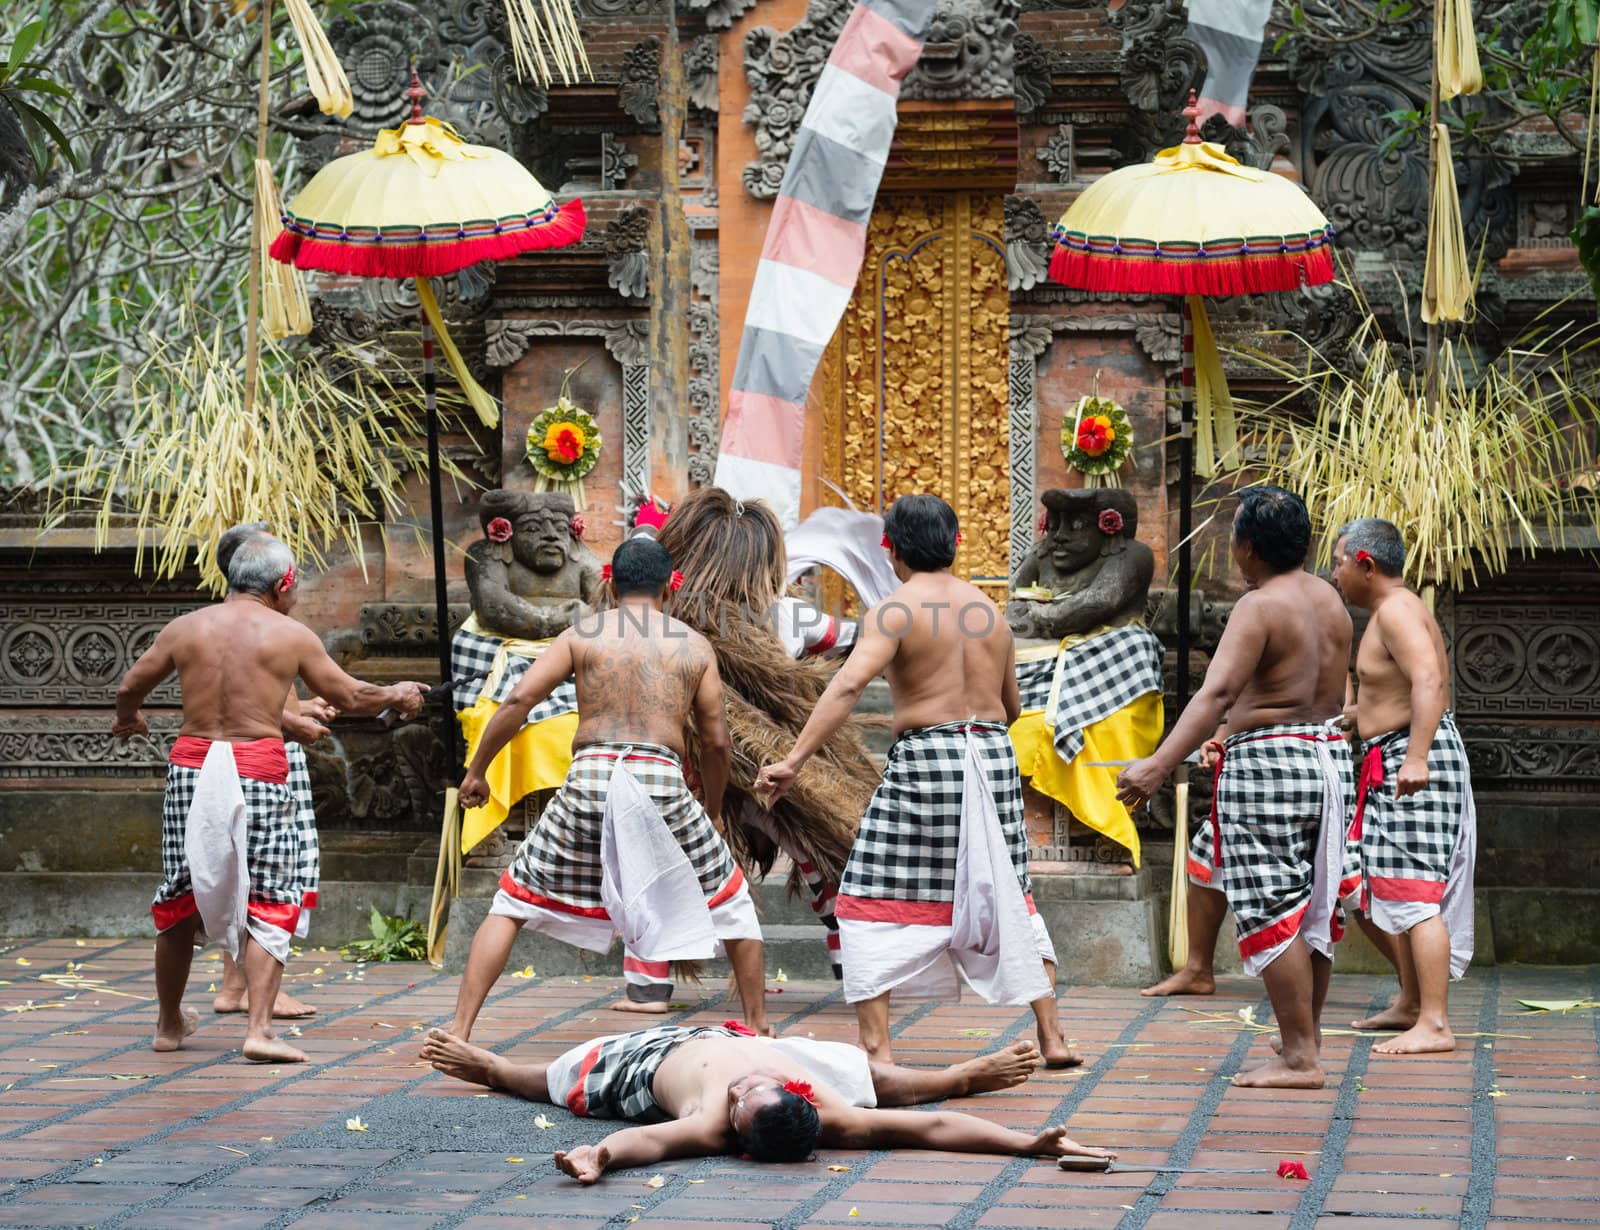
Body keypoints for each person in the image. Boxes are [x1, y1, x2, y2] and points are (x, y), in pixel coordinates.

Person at [758, 495, 1078, 1069]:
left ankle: (877, 1049)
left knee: (865, 895)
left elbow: (849, 685)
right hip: (992, 754)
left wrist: (794, 759)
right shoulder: (989, 611)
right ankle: (1052, 1036)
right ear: (955, 545)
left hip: (928, 757)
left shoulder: (895, 608)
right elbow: (1010, 705)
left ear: (892, 549)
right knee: (1009, 893)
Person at [113, 530, 426, 1061]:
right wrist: (396, 692)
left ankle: (168, 1026)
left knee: (179, 895)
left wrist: (130, 720)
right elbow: (348, 695)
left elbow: (128, 687)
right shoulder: (290, 634)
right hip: (257, 764)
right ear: (283, 583)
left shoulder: (186, 628)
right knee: (271, 895)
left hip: (192, 765)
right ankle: (258, 1032)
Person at [452, 537, 769, 1038]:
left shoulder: (583, 635)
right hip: (661, 778)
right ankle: (757, 1026)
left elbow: (517, 701)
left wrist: (477, 770)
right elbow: (715, 744)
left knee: (511, 903)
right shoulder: (692, 644)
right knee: (732, 902)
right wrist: (709, 808)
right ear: (669, 586)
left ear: (609, 582)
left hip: (590, 776)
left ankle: (460, 1030)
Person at [1115, 486, 1352, 1089]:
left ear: (1248, 547)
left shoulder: (1260, 606)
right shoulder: (1330, 599)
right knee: (1312, 903)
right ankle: (1308, 1035)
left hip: (1270, 766)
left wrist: (1157, 764)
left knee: (1274, 908)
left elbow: (1216, 693)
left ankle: (1300, 1057)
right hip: (1324, 761)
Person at [655, 485, 882, 991]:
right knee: (827, 864)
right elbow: (861, 639)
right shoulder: (787, 614)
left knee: (668, 868)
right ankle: (860, 978)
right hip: (763, 774)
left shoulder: (664, 623)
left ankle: (648, 990)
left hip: (736, 773)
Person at [419, 1024, 1111, 1182]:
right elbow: (930, 1127)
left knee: (549, 1081)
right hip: (760, 1041)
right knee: (862, 1077)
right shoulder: (824, 1112)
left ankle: (497, 1068)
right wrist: (1026, 1142)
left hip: (650, 1059)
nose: (742, 1088)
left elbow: (647, 1144)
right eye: (752, 1091)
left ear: (737, 1137)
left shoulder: (711, 1124)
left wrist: (597, 1153)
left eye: (743, 1100)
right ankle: (953, 1070)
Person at [1330, 518, 1476, 1055]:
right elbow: (1394, 689)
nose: (1335, 573)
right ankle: (1412, 1003)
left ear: (1365, 563)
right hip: (1389, 754)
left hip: (1414, 758)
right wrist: (1355, 717)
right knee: (1367, 884)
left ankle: (1435, 1022)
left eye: (1340, 562)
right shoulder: (1390, 610)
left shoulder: (1395, 610)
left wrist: (1415, 756)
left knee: (1416, 890)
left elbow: (1430, 681)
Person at [208, 523, 331, 1021]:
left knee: (247, 867)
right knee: (270, 873)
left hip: (264, 752)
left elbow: (270, 699)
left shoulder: (240, 622)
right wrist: (295, 722)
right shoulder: (249, 625)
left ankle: (235, 983)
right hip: (260, 758)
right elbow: (237, 700)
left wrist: (303, 712)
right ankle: (264, 991)